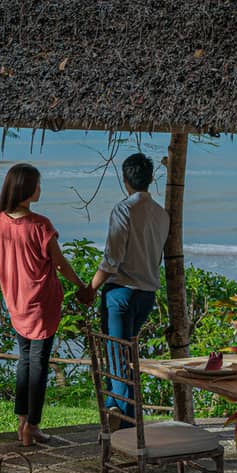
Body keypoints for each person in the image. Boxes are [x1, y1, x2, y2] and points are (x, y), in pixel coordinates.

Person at [0, 163, 91, 446]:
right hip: (41, 304)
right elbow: (61, 265)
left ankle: (22, 423)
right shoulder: (40, 225)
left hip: (17, 303)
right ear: (27, 189)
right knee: (39, 364)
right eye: (38, 184)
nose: (40, 189)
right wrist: (82, 286)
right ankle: (32, 426)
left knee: (25, 360)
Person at [80, 153, 169, 417]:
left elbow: (112, 259)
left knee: (118, 362)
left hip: (120, 294)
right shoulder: (162, 215)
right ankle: (114, 412)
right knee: (125, 359)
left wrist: (91, 288)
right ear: (151, 179)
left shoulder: (123, 210)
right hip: (146, 296)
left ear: (124, 179)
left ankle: (128, 424)